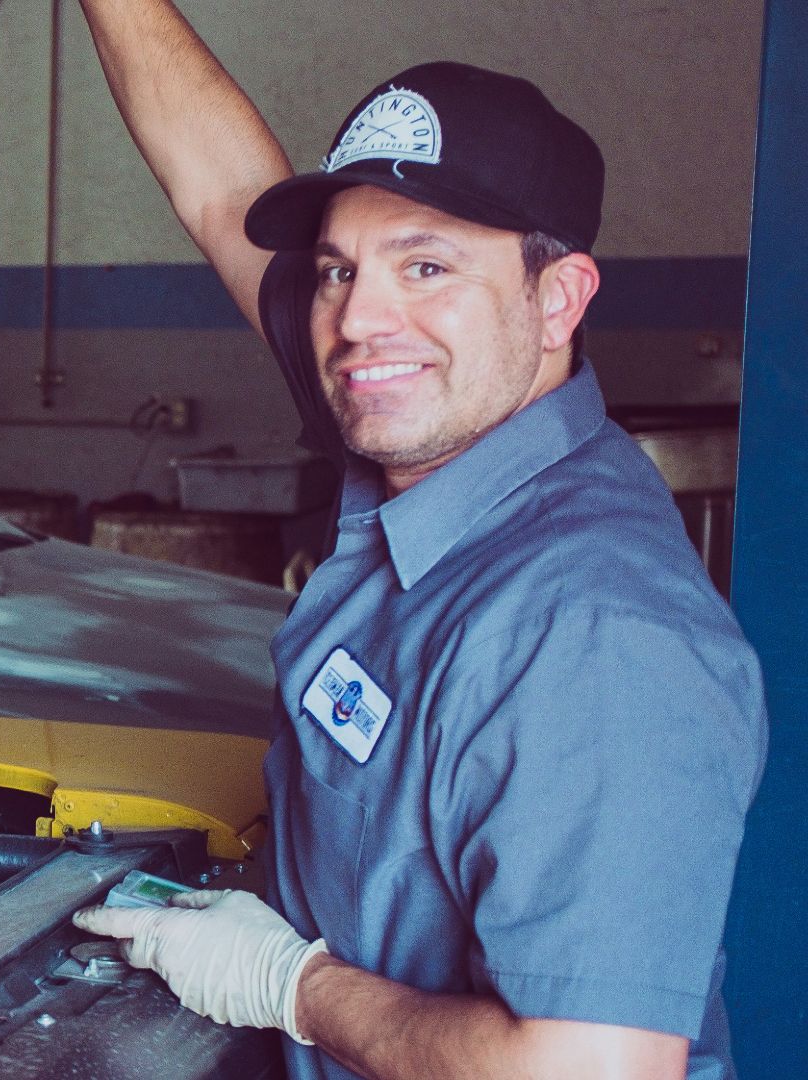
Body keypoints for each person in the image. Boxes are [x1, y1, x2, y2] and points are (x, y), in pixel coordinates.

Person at [70, 4, 769, 1079]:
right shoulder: (429, 427)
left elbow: (591, 1070)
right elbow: (218, 193)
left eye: (427, 267)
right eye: (340, 269)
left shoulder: (595, 637)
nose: (358, 321)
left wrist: (290, 985)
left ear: (558, 299)